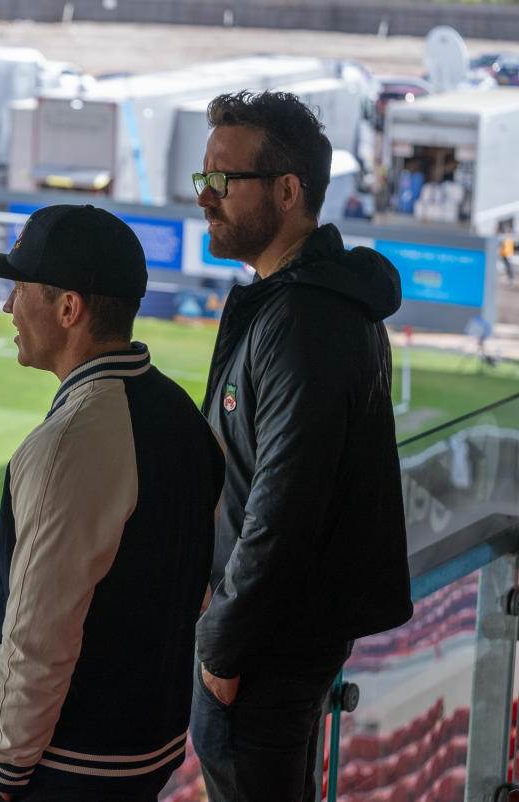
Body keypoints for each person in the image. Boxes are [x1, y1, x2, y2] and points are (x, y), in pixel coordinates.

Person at [0, 204, 225, 802]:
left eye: (19, 289)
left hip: (69, 769)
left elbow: (37, 634)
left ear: (69, 308)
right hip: (150, 749)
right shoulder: (181, 414)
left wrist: (0, 774)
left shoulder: (71, 443)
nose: (8, 307)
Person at [190, 90, 414, 802]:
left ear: (288, 191)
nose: (206, 198)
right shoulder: (296, 302)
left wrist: (224, 643)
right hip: (275, 634)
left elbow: (286, 504)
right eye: (204, 179)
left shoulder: (302, 319)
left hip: (265, 645)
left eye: (224, 181)